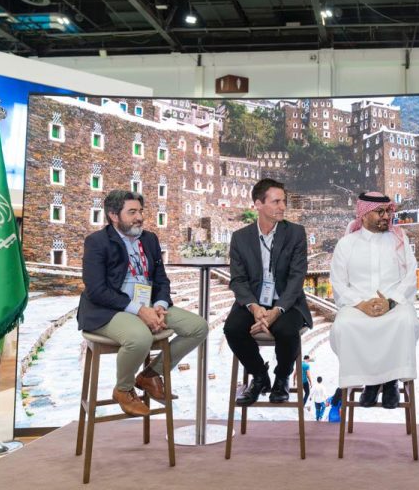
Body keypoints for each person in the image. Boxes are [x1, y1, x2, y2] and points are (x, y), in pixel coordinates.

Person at [77, 190, 208, 417]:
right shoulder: (97, 242)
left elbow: (161, 279)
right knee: (140, 337)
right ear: (114, 215)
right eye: (132, 212)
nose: (139, 217)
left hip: (148, 305)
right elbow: (97, 291)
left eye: (140, 211)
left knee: (198, 327)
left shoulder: (149, 239)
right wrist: (139, 310)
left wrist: (160, 305)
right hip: (107, 311)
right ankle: (123, 389)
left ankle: (149, 375)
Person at [224, 178, 312, 405]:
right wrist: (254, 308)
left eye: (284, 201)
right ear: (258, 204)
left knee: (286, 330)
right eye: (276, 202)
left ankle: (282, 377)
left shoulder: (296, 233)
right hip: (253, 301)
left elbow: (297, 278)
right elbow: (238, 280)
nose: (283, 206)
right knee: (232, 329)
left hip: (287, 301)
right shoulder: (240, 238)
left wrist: (277, 310)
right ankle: (260, 375)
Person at [329, 192, 419, 409]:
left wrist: (391, 301)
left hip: (394, 304)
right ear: (364, 214)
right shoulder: (346, 244)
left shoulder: (399, 240)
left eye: (388, 211)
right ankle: (371, 381)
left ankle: (390, 381)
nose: (386, 216)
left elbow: (411, 276)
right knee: (344, 324)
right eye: (380, 212)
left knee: (406, 321)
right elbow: (338, 282)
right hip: (357, 305)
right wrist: (361, 304)